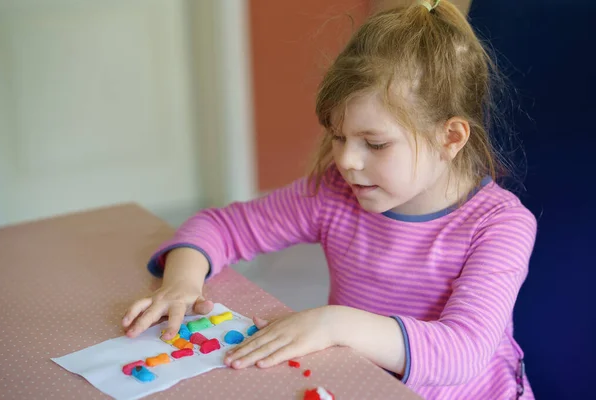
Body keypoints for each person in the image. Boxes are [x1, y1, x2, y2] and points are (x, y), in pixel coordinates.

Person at [121, 1, 537, 398]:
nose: (346, 161)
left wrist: (334, 324)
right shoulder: (334, 195)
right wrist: (181, 283)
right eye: (338, 137)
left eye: (374, 144)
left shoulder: (500, 225)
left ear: (450, 138)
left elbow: (462, 353)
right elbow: (219, 227)